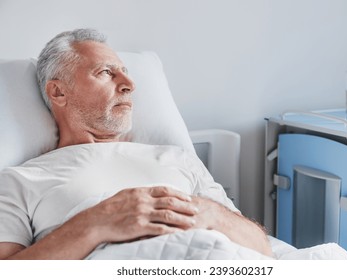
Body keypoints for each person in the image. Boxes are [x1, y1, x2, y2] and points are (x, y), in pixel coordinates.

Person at [0, 28, 272, 259]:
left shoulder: (178, 159)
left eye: (126, 73)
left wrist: (211, 214)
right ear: (58, 92)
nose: (129, 84)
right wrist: (93, 225)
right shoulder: (21, 181)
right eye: (107, 72)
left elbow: (262, 249)